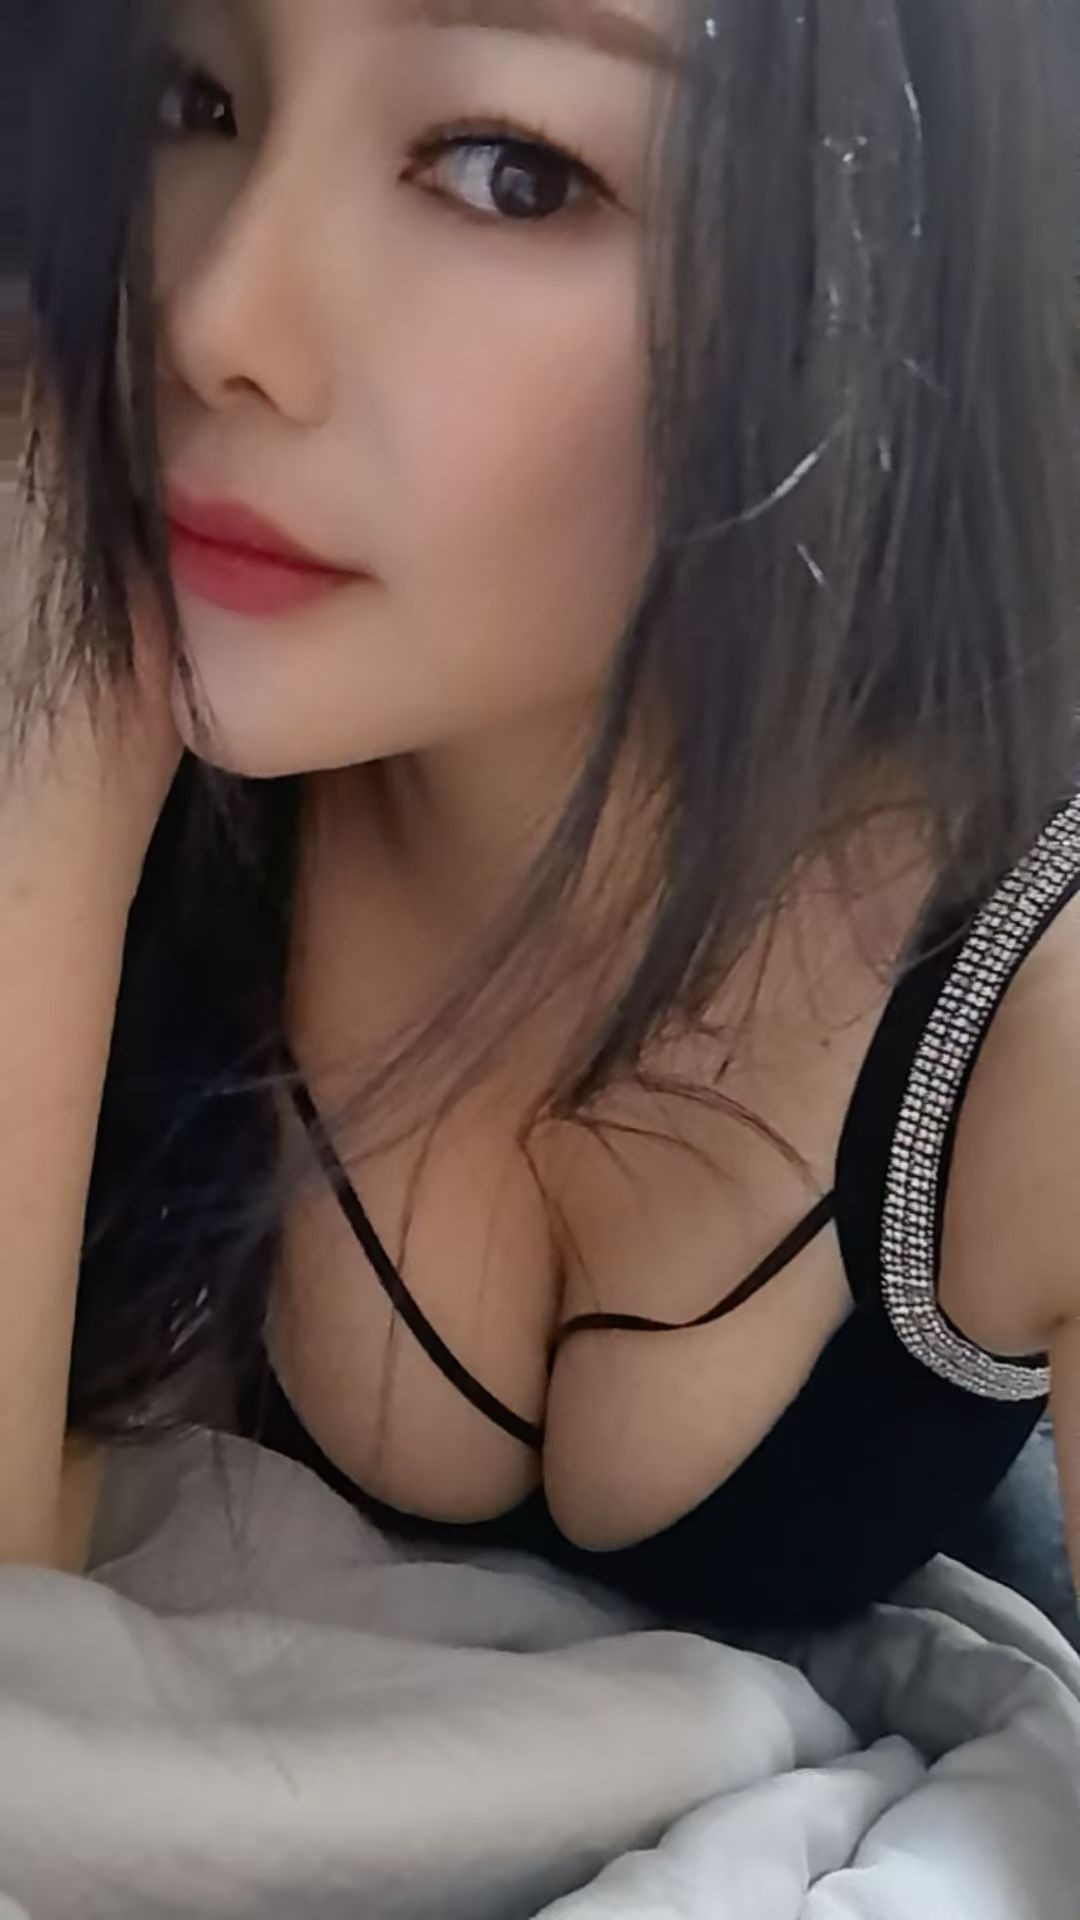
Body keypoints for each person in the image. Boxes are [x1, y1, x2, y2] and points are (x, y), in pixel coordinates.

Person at [3, 0, 1080, 1631]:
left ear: (891, 273)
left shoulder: (1031, 1006)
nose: (212, 315)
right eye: (194, 100)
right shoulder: (128, 664)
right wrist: (48, 755)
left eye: (513, 173)